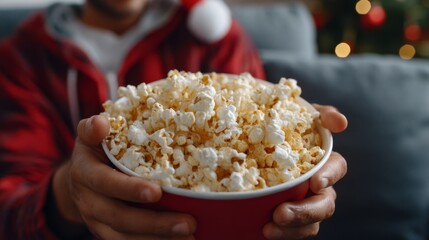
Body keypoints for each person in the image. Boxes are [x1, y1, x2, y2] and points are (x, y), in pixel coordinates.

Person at [0, 0, 348, 239]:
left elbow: (252, 145)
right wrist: (68, 194)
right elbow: (9, 214)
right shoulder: (22, 57)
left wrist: (294, 134)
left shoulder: (214, 34)